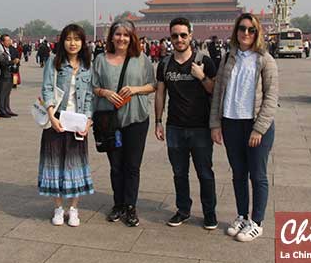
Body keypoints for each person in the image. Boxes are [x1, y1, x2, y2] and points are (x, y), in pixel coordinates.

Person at [209, 13, 277, 242]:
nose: (246, 33)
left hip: (255, 124)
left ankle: (257, 222)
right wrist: (215, 124)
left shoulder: (265, 60)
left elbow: (271, 98)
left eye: (251, 30)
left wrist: (259, 129)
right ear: (236, 31)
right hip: (231, 122)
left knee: (257, 175)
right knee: (238, 174)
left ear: (257, 33)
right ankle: (242, 215)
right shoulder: (229, 58)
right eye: (242, 29)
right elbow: (218, 91)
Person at [154, 18, 218, 230]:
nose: (179, 39)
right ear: (170, 38)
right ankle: (183, 210)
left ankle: (209, 213)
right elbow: (160, 94)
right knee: (179, 173)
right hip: (175, 127)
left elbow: (214, 90)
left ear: (191, 36)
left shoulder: (204, 61)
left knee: (205, 172)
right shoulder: (164, 64)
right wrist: (158, 122)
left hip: (200, 127)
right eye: (175, 36)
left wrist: (201, 77)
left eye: (183, 35)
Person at [92, 20, 156, 227]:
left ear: (132, 38)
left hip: (136, 119)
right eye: (118, 34)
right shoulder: (100, 59)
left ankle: (130, 206)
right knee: (116, 166)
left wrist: (135, 89)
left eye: (126, 35)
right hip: (110, 122)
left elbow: (152, 85)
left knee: (132, 166)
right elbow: (93, 86)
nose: (122, 38)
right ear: (111, 37)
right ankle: (118, 204)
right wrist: (105, 92)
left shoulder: (141, 59)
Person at [39, 24, 94, 227]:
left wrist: (88, 121)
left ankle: (74, 209)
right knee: (54, 164)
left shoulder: (88, 65)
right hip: (57, 118)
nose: (73, 43)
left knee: (76, 166)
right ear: (63, 41)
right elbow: (46, 90)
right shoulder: (54, 62)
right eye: (69, 39)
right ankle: (58, 208)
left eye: (77, 39)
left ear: (82, 42)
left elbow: (89, 96)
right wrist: (52, 117)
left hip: (78, 121)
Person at [0, 34, 17, 118]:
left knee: (7, 93)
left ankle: (7, 109)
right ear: (2, 42)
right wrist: (12, 62)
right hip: (3, 74)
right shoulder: (1, 51)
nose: (9, 42)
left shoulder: (10, 49)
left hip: (10, 73)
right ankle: (2, 110)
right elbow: (2, 63)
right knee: (2, 93)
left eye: (10, 40)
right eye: (7, 40)